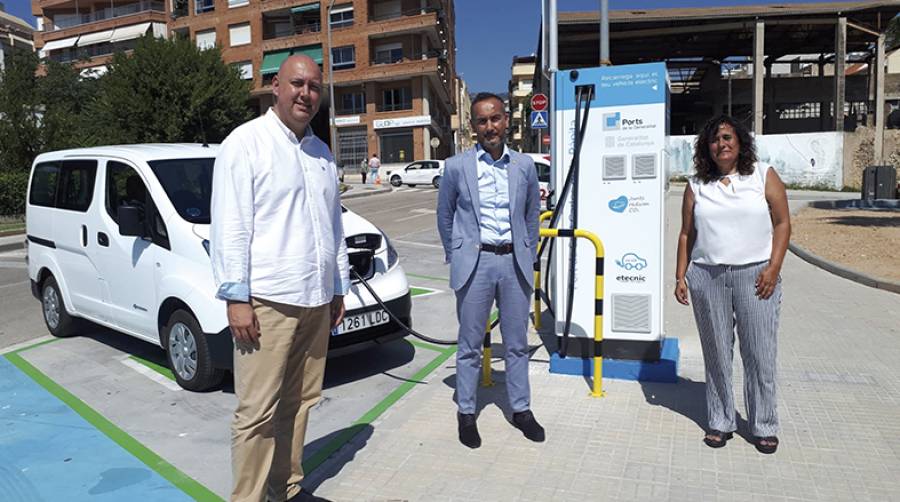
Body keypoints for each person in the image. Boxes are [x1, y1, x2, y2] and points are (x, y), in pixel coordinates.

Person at [210, 54, 350, 501]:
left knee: (300, 403)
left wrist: (337, 288)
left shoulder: (321, 153)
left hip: (314, 301)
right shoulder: (246, 143)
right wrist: (236, 297)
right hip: (267, 302)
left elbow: (334, 228)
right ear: (275, 86)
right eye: (297, 83)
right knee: (256, 413)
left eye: (313, 86)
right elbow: (231, 225)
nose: (305, 93)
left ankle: (285, 489)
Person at [674, 115, 790, 454]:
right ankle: (721, 420)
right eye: (714, 139)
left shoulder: (762, 175)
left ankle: (763, 424)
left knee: (759, 354)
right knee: (717, 354)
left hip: (756, 276)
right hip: (707, 277)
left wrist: (773, 267)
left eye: (727, 137)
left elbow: (782, 223)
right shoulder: (696, 184)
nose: (721, 144)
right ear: (706, 148)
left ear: (740, 142)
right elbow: (686, 234)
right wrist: (680, 276)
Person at [437, 92, 543, 449]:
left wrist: (527, 255)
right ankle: (466, 412)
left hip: (514, 263)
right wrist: (458, 253)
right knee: (469, 345)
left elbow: (530, 216)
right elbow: (445, 216)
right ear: (473, 126)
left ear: (505, 119)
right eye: (482, 121)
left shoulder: (524, 166)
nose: (490, 127)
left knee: (516, 344)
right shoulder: (455, 167)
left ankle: (521, 410)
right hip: (476, 263)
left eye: (495, 118)